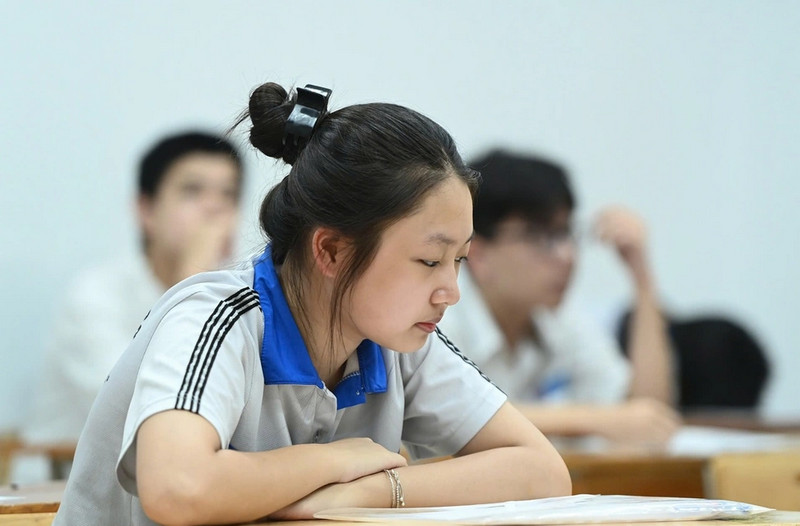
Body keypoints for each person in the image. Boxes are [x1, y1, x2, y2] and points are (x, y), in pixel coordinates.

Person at [54, 83, 571, 525]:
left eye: (459, 260)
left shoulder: (397, 339)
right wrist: (339, 460)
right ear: (331, 251)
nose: (451, 291)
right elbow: (178, 487)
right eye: (430, 260)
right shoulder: (218, 317)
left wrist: (373, 489)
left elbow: (542, 470)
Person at [438, 150, 680, 445]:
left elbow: (648, 418)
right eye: (539, 236)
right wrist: (593, 420)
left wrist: (642, 279)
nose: (567, 255)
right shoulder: (441, 317)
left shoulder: (559, 317)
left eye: (566, 233)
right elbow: (454, 415)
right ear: (478, 254)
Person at [24, 131, 244, 446]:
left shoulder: (241, 293)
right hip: (62, 472)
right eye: (192, 191)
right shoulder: (95, 295)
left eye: (228, 194)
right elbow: (138, 412)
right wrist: (192, 283)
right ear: (146, 210)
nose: (215, 208)